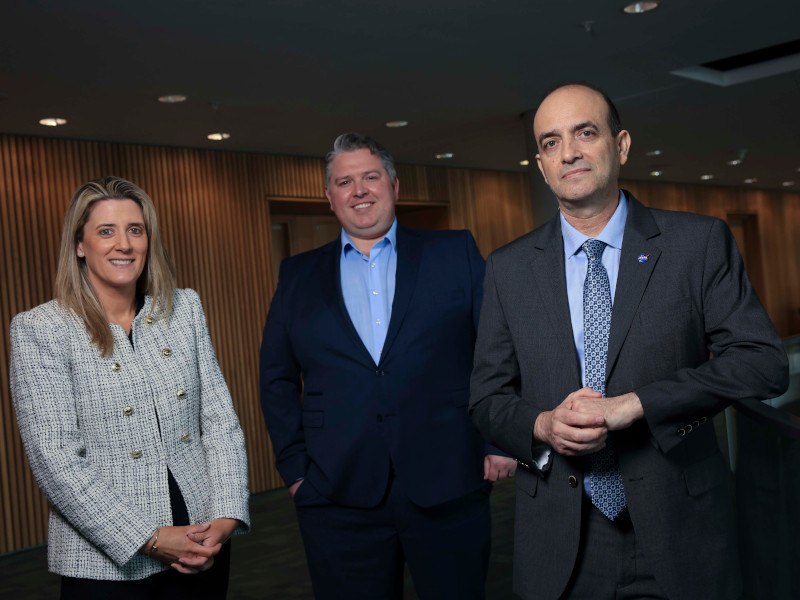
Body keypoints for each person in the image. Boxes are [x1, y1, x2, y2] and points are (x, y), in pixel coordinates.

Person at [469, 83, 789, 600]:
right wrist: (544, 425)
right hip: (561, 538)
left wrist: (639, 404)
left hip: (680, 525)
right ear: (541, 164)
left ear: (620, 146)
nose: (568, 152)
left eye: (585, 133)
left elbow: (763, 363)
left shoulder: (697, 244)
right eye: (551, 143)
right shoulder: (508, 269)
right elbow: (486, 400)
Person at [260, 132, 516, 599]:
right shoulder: (297, 275)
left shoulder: (453, 252)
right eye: (344, 182)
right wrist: (296, 471)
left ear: (394, 185)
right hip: (336, 491)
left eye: (370, 177)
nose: (359, 190)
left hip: (449, 481)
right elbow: (276, 377)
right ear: (329, 197)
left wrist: (499, 439)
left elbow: (496, 348)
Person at [9, 176, 250, 599]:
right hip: (106, 559)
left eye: (135, 230)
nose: (124, 244)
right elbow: (56, 460)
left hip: (202, 537)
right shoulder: (42, 329)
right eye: (107, 231)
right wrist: (150, 538)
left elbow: (219, 420)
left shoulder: (184, 308)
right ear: (79, 245)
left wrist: (226, 515)